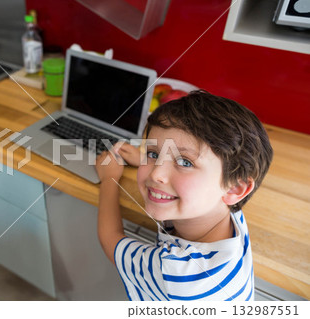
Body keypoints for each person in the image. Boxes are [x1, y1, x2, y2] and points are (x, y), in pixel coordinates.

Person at [95, 90, 273, 301]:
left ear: (235, 190)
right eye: (153, 154)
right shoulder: (224, 207)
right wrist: (150, 157)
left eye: (186, 162)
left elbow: (110, 240)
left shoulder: (179, 274)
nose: (156, 174)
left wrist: (109, 179)